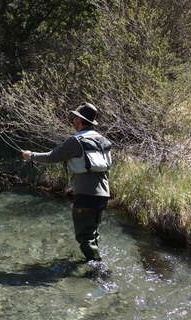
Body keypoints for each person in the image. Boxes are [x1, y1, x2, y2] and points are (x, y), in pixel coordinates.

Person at [22, 103, 112, 262]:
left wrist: (31, 155)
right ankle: (93, 261)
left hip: (85, 195)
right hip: (104, 194)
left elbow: (51, 157)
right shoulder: (104, 140)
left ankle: (99, 269)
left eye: (74, 117)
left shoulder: (75, 141)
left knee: (84, 237)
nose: (72, 120)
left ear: (79, 119)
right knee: (92, 233)